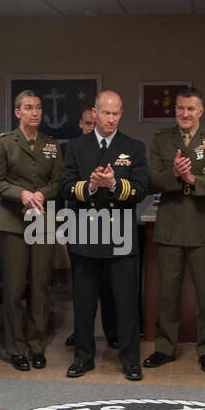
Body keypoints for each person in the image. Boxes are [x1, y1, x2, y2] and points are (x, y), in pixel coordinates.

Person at [144, 87, 205, 374]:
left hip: (204, 227)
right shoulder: (162, 139)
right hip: (170, 226)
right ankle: (164, 348)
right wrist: (173, 175)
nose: (184, 114)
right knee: (168, 293)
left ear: (201, 111)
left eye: (190, 109)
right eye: (180, 109)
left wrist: (192, 179)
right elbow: (150, 181)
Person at [62, 90, 149, 380]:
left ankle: (130, 360)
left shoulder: (133, 147)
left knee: (126, 304)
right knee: (84, 303)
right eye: (106, 113)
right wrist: (89, 186)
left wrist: (113, 184)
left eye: (116, 113)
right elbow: (65, 187)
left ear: (120, 114)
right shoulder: (75, 147)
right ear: (95, 113)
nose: (111, 118)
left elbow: (140, 189)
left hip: (121, 235)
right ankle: (83, 358)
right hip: (85, 233)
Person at [0, 90, 63, 370]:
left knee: (40, 286)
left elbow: (59, 181)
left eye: (39, 107)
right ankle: (16, 347)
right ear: (17, 112)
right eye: (29, 108)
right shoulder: (4, 143)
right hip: (12, 224)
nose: (35, 112)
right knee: (14, 288)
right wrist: (20, 194)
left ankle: (36, 345)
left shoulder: (52, 146)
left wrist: (41, 194)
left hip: (42, 221)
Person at [65, 106, 118, 349]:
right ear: (81, 124)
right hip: (80, 225)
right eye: (86, 123)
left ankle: (112, 333)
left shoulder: (112, 147)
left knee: (109, 286)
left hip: (111, 226)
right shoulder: (72, 149)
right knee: (83, 290)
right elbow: (63, 187)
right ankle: (81, 335)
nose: (90, 126)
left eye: (92, 123)